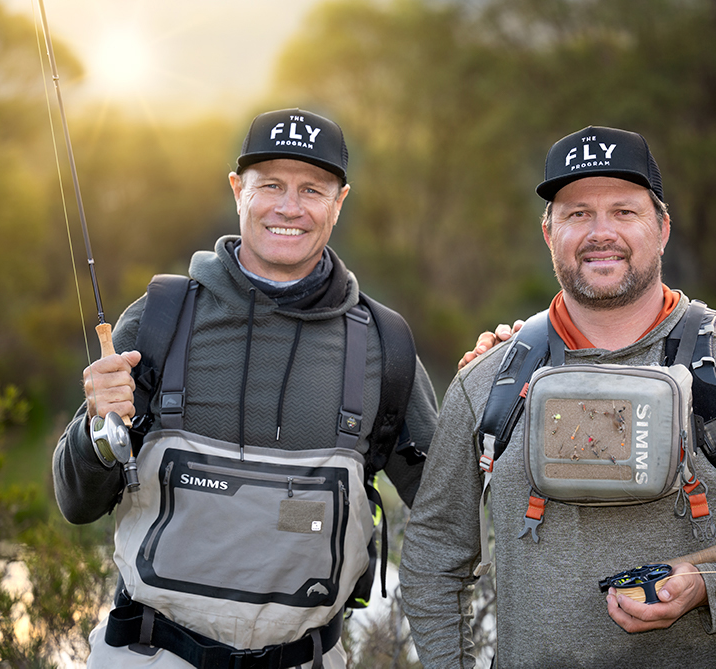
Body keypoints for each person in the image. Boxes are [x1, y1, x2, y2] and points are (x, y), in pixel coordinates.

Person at [399, 125, 716, 668]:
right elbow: (433, 555)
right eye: (577, 213)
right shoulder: (488, 380)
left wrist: (710, 586)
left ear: (662, 228)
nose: (600, 232)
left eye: (624, 212)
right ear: (548, 232)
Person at [53, 108, 439, 668]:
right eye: (271, 185)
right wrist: (95, 430)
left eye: (312, 189)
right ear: (238, 191)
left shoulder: (386, 344)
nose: (289, 207)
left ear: (340, 201)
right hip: (149, 654)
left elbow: (446, 508)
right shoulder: (159, 319)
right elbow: (75, 502)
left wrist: (497, 400)